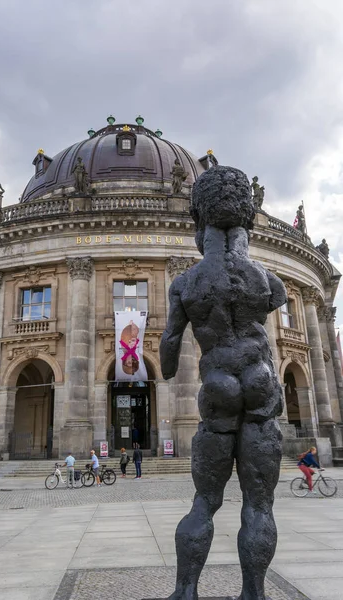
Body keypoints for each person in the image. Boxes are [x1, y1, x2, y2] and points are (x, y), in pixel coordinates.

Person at [160, 165, 287, 599]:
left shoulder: (186, 282)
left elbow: (168, 359)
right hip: (261, 380)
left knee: (204, 503)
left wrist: (167, 357)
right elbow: (272, 313)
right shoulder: (268, 281)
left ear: (200, 224)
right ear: (246, 224)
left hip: (218, 386)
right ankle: (253, 593)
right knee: (259, 503)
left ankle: (186, 592)